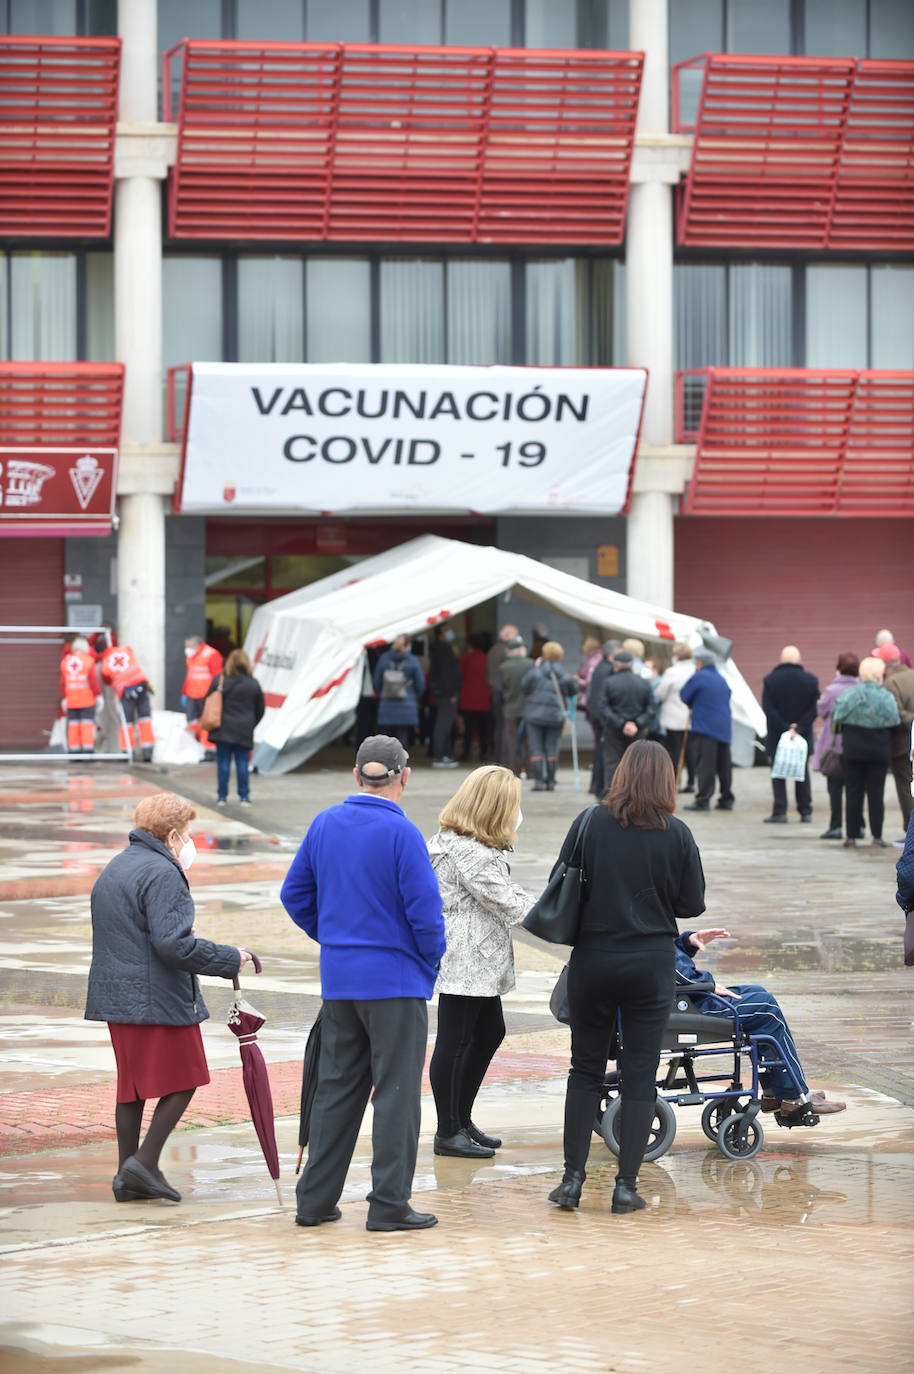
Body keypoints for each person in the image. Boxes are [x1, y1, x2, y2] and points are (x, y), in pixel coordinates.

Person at [281, 736, 446, 1232]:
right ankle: (389, 1205)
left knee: (336, 1090)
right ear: (404, 776)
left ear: (356, 776)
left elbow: (294, 894)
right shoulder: (403, 833)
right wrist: (428, 964)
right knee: (396, 1094)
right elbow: (426, 915)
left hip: (340, 979)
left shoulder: (325, 824)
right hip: (395, 982)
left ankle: (314, 1201)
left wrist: (333, 938)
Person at [548, 740, 706, 1214]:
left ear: (620, 775)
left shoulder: (590, 822)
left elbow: (562, 877)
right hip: (650, 963)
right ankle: (625, 1187)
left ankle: (572, 1182)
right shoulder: (677, 833)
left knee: (585, 1070)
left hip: (594, 958)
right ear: (665, 782)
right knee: (641, 1074)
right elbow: (690, 904)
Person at [85, 793, 251, 1203]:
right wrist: (230, 958)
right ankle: (144, 1162)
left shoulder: (118, 865)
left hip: (117, 995)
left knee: (133, 1087)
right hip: (155, 995)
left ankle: (129, 1174)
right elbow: (173, 946)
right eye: (188, 833)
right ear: (173, 835)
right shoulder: (163, 871)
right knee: (189, 1076)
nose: (189, 842)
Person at [427, 766, 532, 1158]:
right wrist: (563, 918)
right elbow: (508, 902)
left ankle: (460, 1118)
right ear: (494, 808)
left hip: (476, 957)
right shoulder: (469, 852)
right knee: (454, 1041)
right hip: (466, 957)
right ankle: (447, 1130)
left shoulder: (465, 842)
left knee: (488, 1033)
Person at [673, 928, 846, 1123]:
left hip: (685, 998)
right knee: (765, 1007)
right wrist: (707, 984)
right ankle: (794, 1095)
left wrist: (686, 942)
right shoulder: (646, 912)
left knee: (757, 992)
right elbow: (663, 961)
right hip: (686, 1005)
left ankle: (775, 1093)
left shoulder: (645, 911)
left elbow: (666, 951)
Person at [832, 656, 901, 849]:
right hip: (878, 750)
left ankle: (851, 836)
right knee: (876, 794)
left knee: (853, 792)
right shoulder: (886, 696)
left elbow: (836, 721)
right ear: (879, 675)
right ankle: (877, 836)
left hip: (853, 750)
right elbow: (895, 722)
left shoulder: (849, 695)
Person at [762, 646, 820, 824]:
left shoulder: (770, 680)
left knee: (777, 773)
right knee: (802, 773)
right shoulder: (811, 680)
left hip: (777, 735)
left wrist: (785, 728)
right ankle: (805, 811)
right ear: (798, 660)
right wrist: (798, 728)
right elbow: (814, 708)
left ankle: (780, 811)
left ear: (781, 659)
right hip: (802, 736)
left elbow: (768, 708)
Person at [204, 649, 265, 806]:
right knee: (243, 764)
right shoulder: (253, 683)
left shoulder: (220, 680)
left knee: (223, 763)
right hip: (244, 729)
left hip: (222, 729)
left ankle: (222, 797)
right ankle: (244, 797)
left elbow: (208, 700)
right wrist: (251, 723)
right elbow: (261, 709)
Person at [812, 653, 861, 840]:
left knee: (834, 787)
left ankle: (836, 826)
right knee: (855, 788)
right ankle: (858, 826)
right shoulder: (860, 688)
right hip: (855, 744)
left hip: (834, 743)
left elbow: (821, 710)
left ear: (838, 667)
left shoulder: (832, 690)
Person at [679, 650, 734, 812]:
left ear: (700, 663)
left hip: (705, 726)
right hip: (724, 727)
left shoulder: (699, 676)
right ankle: (726, 798)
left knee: (706, 765)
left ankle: (703, 800)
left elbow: (684, 695)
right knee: (724, 765)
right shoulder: (721, 678)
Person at [521, 641, 577, 791]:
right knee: (552, 747)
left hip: (534, 716)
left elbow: (524, 687)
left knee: (536, 747)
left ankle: (539, 782)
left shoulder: (535, 671)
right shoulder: (564, 674)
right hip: (555, 716)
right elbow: (573, 691)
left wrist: (534, 667)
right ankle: (551, 781)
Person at [599, 648, 655, 789]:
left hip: (614, 729)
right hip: (638, 730)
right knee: (638, 764)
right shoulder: (644, 683)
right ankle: (638, 794)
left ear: (616, 665)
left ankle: (612, 797)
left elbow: (603, 708)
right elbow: (651, 708)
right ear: (632, 665)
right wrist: (636, 723)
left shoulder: (609, 682)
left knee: (613, 763)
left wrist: (622, 723)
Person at [97, 634, 155, 762]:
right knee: (145, 719)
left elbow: (107, 681)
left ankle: (127, 752)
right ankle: (148, 751)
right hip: (141, 687)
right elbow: (130, 650)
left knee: (127, 723)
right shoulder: (125, 650)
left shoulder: (105, 664)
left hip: (126, 693)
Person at [878, 645, 914, 834]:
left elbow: (895, 714)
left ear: (885, 665)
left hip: (902, 745)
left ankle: (910, 833)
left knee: (906, 787)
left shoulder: (891, 683)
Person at [372, 634, 425, 748]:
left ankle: (385, 763)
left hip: (386, 703)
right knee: (402, 737)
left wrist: (382, 693)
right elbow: (420, 683)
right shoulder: (413, 660)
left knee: (385, 738)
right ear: (408, 645)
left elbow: (376, 681)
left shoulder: (384, 658)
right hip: (407, 703)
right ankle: (400, 764)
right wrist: (414, 697)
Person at [656, 642, 696, 791]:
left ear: (676, 655)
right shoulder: (695, 670)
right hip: (690, 716)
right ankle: (691, 782)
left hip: (673, 716)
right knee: (690, 751)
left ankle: (674, 781)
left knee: (675, 750)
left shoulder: (672, 672)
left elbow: (661, 693)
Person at [586, 640, 620, 796]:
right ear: (612, 654)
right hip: (603, 717)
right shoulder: (609, 670)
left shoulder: (600, 667)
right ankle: (601, 787)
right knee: (604, 754)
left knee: (600, 752)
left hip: (596, 715)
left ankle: (596, 785)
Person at [498, 635, 534, 776]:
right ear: (520, 649)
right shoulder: (530, 664)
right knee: (529, 741)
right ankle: (531, 770)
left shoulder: (503, 667)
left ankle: (514, 770)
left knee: (511, 741)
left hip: (510, 709)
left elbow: (501, 689)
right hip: (528, 708)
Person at [60, 634, 102, 754]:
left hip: (71, 700)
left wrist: (64, 698)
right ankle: (87, 750)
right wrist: (98, 695)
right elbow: (93, 680)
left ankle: (74, 751)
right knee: (86, 725)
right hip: (87, 699)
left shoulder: (65, 662)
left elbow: (62, 682)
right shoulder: (88, 661)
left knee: (73, 726)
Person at [428, 624, 462, 768]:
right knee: (443, 725)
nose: (450, 632)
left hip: (444, 693)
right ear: (440, 634)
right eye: (446, 630)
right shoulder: (443, 649)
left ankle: (444, 755)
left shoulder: (439, 649)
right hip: (447, 694)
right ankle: (440, 756)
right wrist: (451, 692)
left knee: (445, 725)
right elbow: (447, 673)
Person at [182, 635, 223, 752]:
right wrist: (184, 692)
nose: (186, 649)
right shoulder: (191, 656)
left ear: (196, 645)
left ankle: (209, 749)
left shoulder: (211, 654)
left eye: (188, 646)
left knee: (207, 723)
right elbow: (190, 675)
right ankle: (199, 745)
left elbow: (217, 676)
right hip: (192, 694)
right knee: (192, 722)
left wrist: (215, 694)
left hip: (206, 695)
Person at [487, 623, 519, 767]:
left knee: (499, 728)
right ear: (506, 636)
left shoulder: (493, 650)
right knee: (506, 730)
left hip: (495, 694)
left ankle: (499, 758)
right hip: (503, 695)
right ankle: (505, 761)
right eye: (515, 635)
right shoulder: (505, 651)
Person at [458, 633, 492, 761]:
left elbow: (460, 677)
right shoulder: (486, 658)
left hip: (467, 699)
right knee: (483, 729)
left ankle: (466, 753)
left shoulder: (464, 659)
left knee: (468, 730)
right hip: (483, 699)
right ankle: (484, 753)